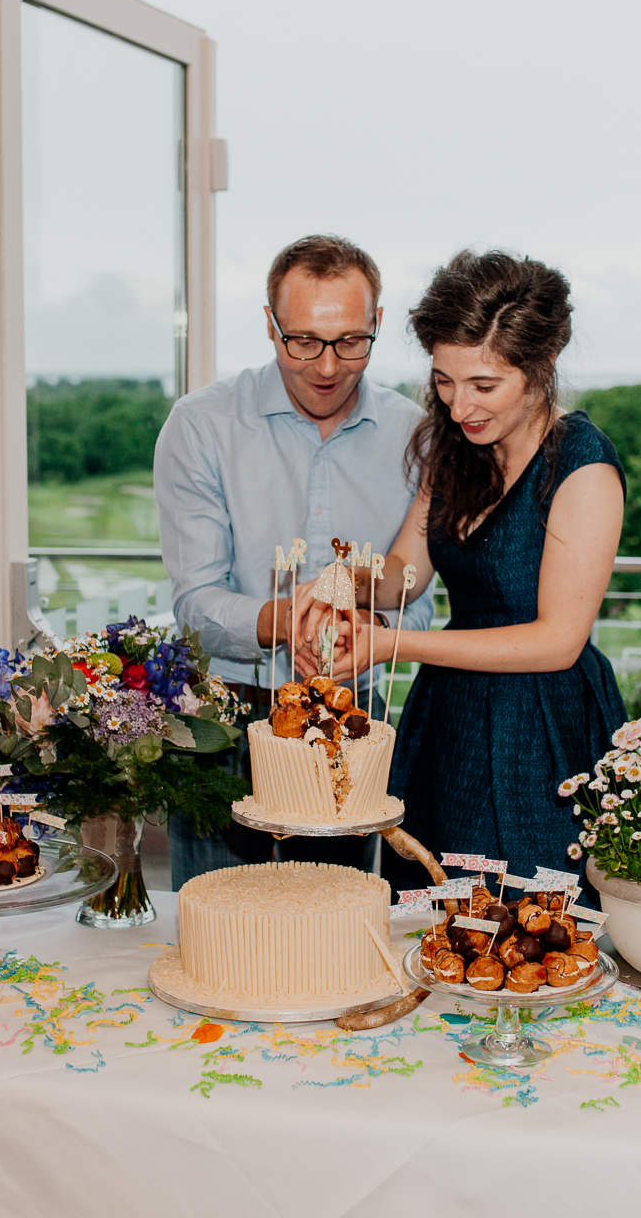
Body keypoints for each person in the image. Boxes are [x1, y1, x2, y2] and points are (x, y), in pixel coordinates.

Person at [316, 250, 626, 886]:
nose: (459, 407)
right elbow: (406, 571)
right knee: (435, 912)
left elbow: (557, 641)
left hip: (543, 726)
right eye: (444, 381)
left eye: (484, 386)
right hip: (451, 715)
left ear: (541, 369)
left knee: (532, 926)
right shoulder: (456, 445)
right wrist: (338, 582)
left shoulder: (584, 469)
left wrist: (389, 644)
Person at [153, 234, 435, 887]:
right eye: (301, 340)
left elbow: (411, 597)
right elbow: (195, 604)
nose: (327, 366)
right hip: (222, 716)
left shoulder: (416, 434)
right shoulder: (201, 426)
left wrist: (357, 622)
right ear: (269, 325)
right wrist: (292, 620)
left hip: (357, 713)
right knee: (222, 928)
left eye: (349, 341)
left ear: (378, 325)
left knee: (338, 926)